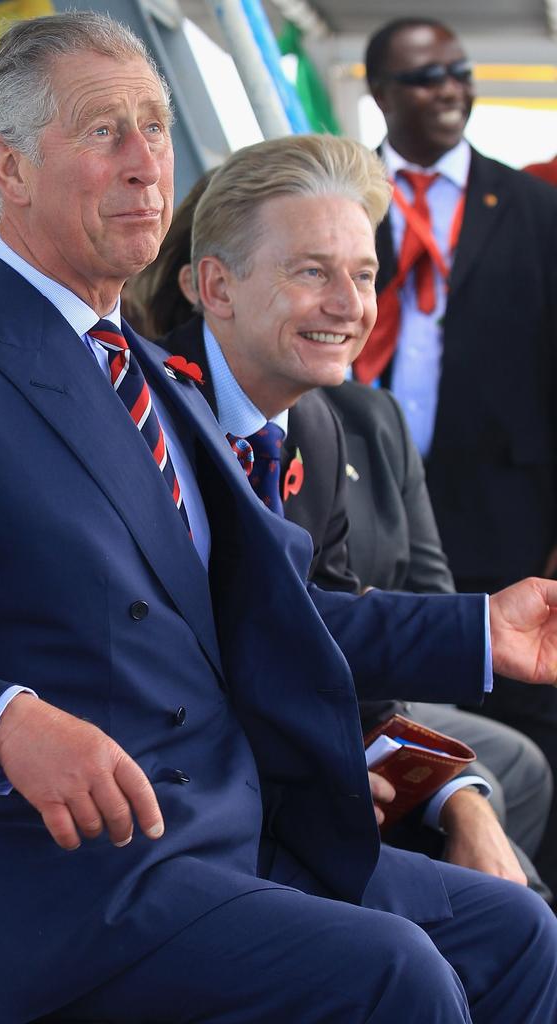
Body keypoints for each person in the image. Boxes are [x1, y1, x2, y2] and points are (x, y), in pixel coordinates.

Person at [0, 15, 557, 1024]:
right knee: (393, 972)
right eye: (104, 130)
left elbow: (276, 609)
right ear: (5, 168)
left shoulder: (151, 378)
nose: (148, 163)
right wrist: (0, 723)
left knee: (518, 935)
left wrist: (481, 631)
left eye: (155, 126)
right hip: (66, 892)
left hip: (222, 838)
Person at [134, 158, 552, 891]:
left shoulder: (318, 428)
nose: (350, 306)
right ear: (214, 287)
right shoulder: (145, 423)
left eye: (363, 276)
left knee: (515, 914)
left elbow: (322, 633)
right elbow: (187, 658)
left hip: (287, 789)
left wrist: (455, 793)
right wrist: (327, 765)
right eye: (312, 273)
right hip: (168, 832)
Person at [359, 14, 557, 894]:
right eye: (424, 76)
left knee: (523, 728)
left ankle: (528, 917)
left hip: (510, 518)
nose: (448, 87)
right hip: (369, 516)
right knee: (391, 712)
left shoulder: (534, 210)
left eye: (458, 71)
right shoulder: (340, 196)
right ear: (378, 93)